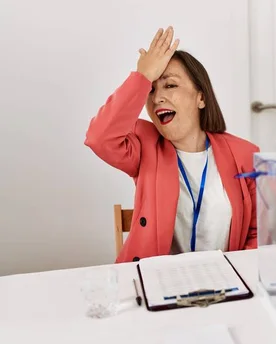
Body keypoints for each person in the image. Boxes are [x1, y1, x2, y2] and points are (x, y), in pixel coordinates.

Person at [85, 26, 259, 263]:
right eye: (151, 90)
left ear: (201, 97)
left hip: (225, 283)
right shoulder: (144, 145)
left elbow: (257, 233)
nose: (157, 98)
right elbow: (99, 138)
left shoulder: (245, 154)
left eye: (170, 85)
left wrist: (238, 276)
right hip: (156, 283)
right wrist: (142, 77)